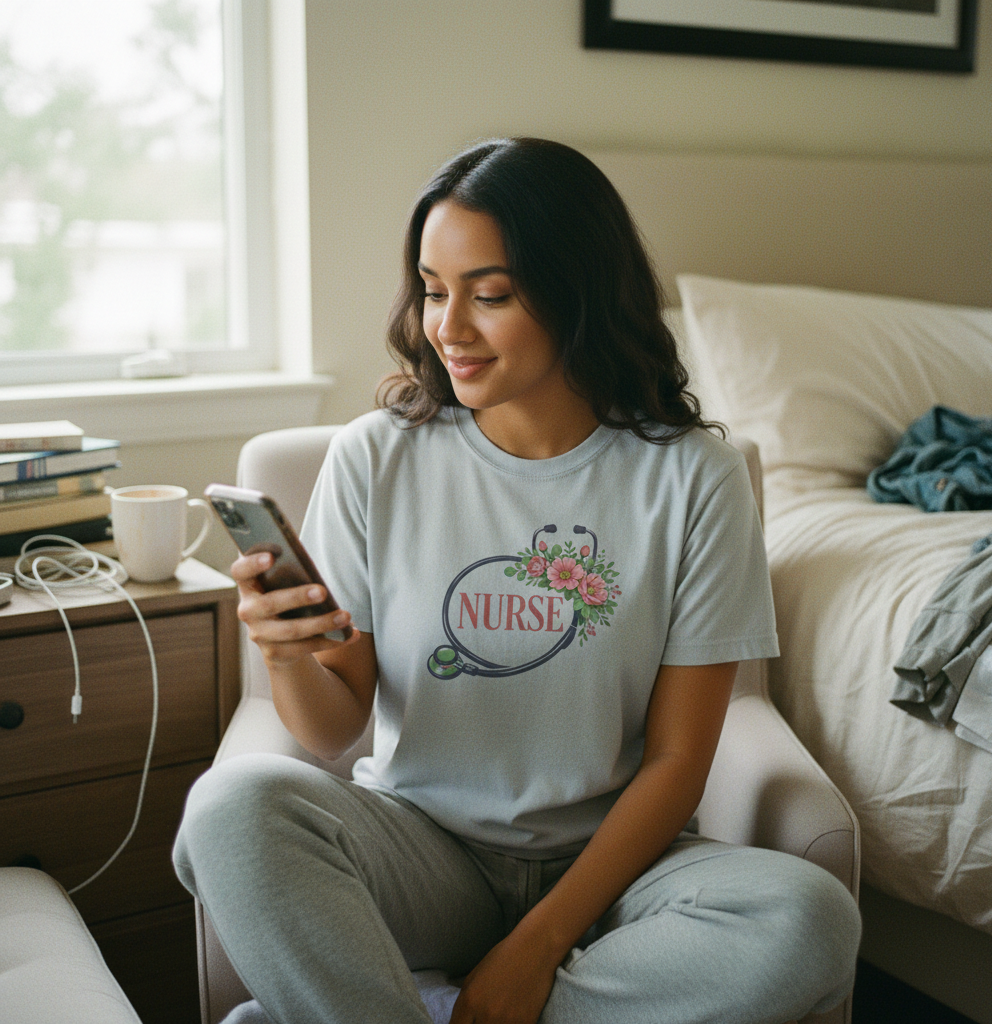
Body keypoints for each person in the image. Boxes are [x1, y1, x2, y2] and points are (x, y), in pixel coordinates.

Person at [174, 138, 861, 1024]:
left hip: (613, 877)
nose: (448, 327)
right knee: (231, 808)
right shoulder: (375, 457)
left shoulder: (696, 478)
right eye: (433, 290)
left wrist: (534, 950)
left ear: (578, 293)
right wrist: (284, 654)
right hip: (422, 853)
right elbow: (333, 727)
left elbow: (678, 761)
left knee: (808, 916)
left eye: (489, 295)